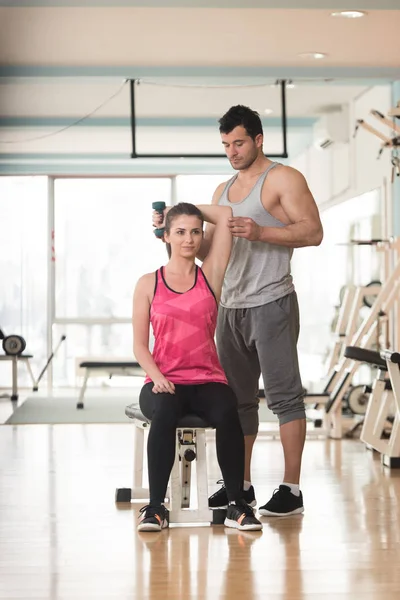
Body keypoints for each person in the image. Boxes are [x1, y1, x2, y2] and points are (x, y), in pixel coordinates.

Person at [197, 105, 324, 516]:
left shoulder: (283, 178)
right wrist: (170, 235)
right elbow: (209, 253)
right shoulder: (221, 192)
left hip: (272, 302)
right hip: (230, 307)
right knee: (237, 402)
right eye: (225, 145)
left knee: (285, 398)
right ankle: (241, 484)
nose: (232, 152)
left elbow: (313, 231)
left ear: (258, 139)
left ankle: (291, 490)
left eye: (238, 143)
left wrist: (261, 230)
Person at [133, 201, 262, 532]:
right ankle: (156, 508)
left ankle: (236, 505)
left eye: (194, 232)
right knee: (163, 411)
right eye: (179, 232)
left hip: (207, 380)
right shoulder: (149, 283)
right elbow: (139, 345)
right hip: (162, 381)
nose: (188, 239)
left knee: (227, 408)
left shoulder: (211, 275)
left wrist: (181, 208)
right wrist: (158, 378)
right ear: (165, 236)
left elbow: (223, 214)